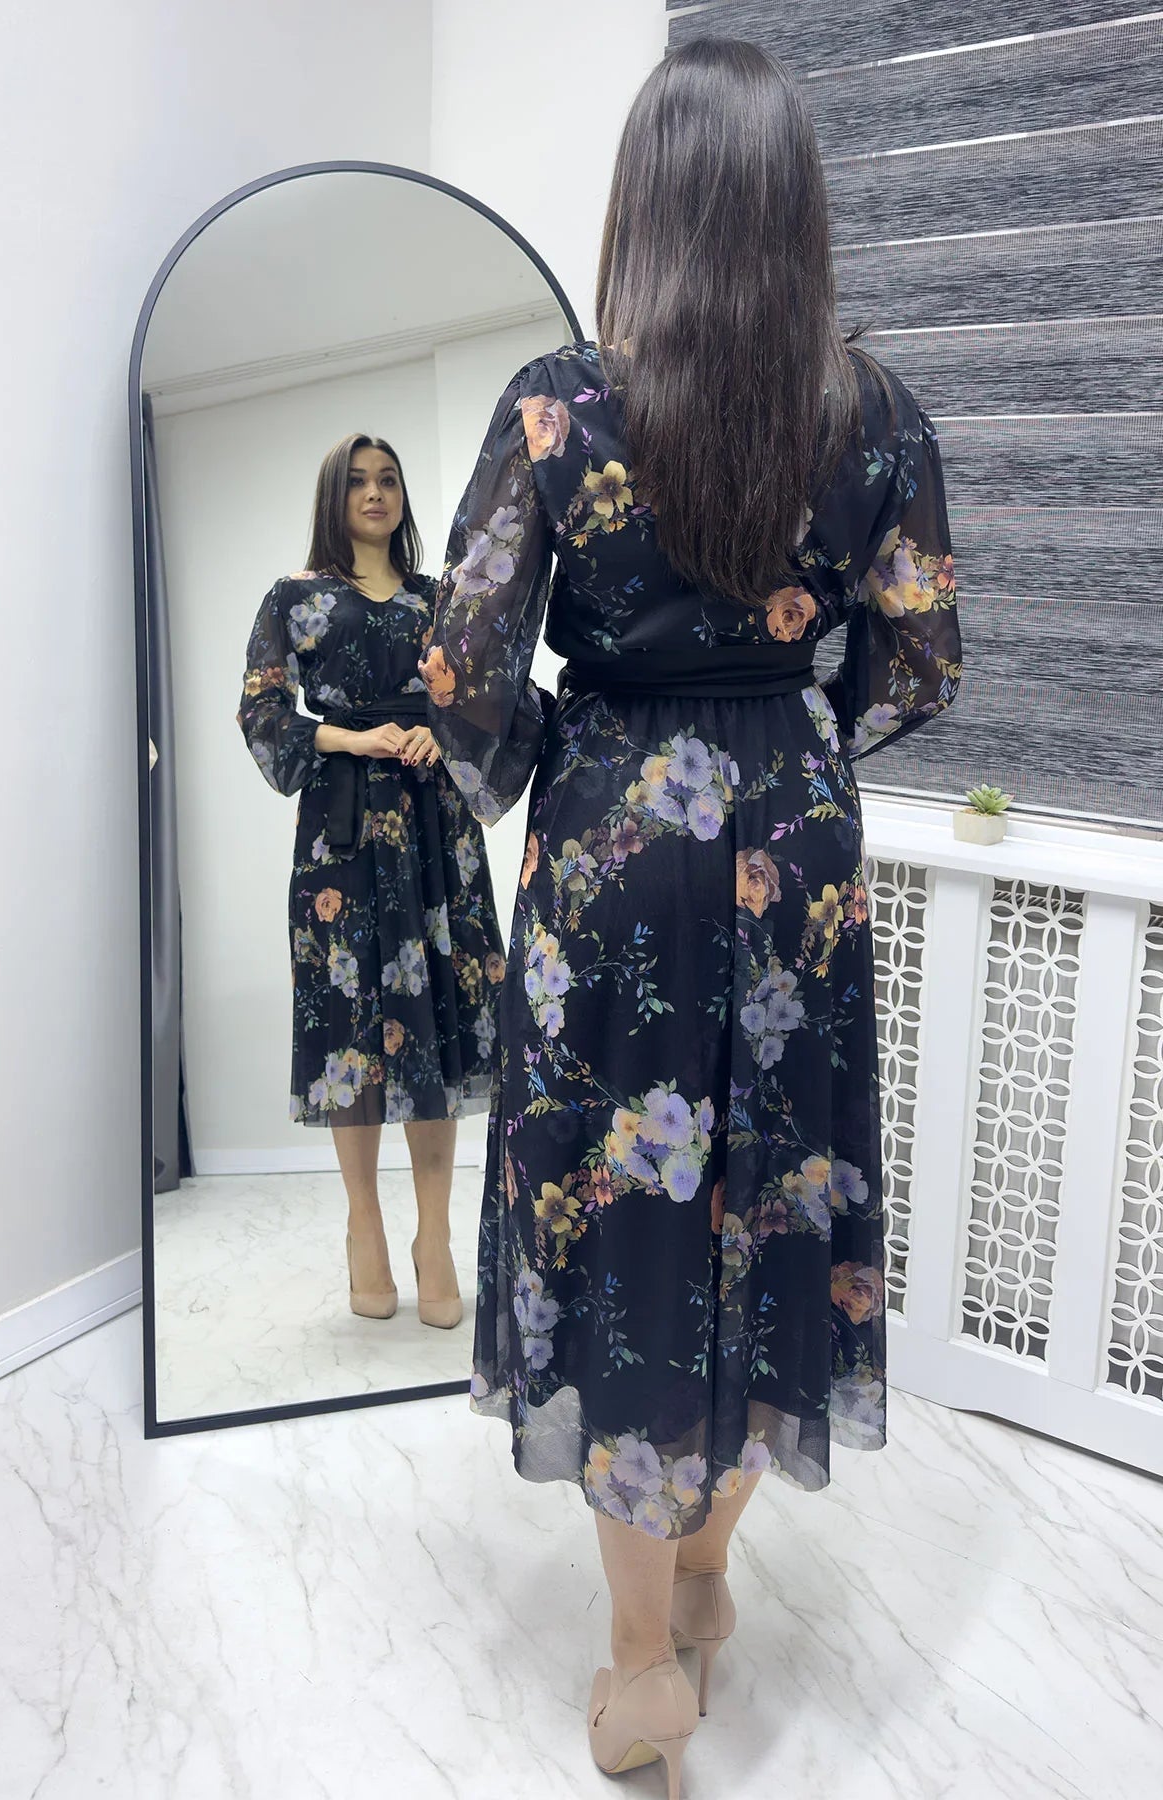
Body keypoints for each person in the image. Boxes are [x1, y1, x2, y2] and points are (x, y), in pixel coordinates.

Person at [422, 38, 962, 1796]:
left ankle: (644, 1656)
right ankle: (716, 1568)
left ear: (642, 203)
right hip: (796, 839)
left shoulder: (557, 407)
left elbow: (464, 673)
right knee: (771, 1185)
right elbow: (920, 663)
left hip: (612, 845)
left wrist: (564, 754)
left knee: (621, 1208)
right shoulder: (871, 412)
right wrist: (790, 721)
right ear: (795, 207)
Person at [238, 433, 505, 1330]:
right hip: (344, 836)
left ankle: (435, 1234)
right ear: (334, 497)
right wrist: (350, 737)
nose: (375, 492)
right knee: (350, 1028)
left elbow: (479, 699)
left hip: (434, 827)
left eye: (388, 479)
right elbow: (260, 708)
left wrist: (440, 728)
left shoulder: (438, 600)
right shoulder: (295, 598)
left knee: (437, 1024)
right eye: (357, 481)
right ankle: (364, 1224)